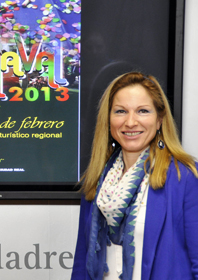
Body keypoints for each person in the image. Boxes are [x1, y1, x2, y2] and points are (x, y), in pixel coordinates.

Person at [71, 71, 198, 280]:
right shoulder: (96, 180)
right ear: (108, 119)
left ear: (159, 120)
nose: (130, 122)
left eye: (143, 111)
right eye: (120, 111)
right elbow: (81, 262)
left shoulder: (185, 177)